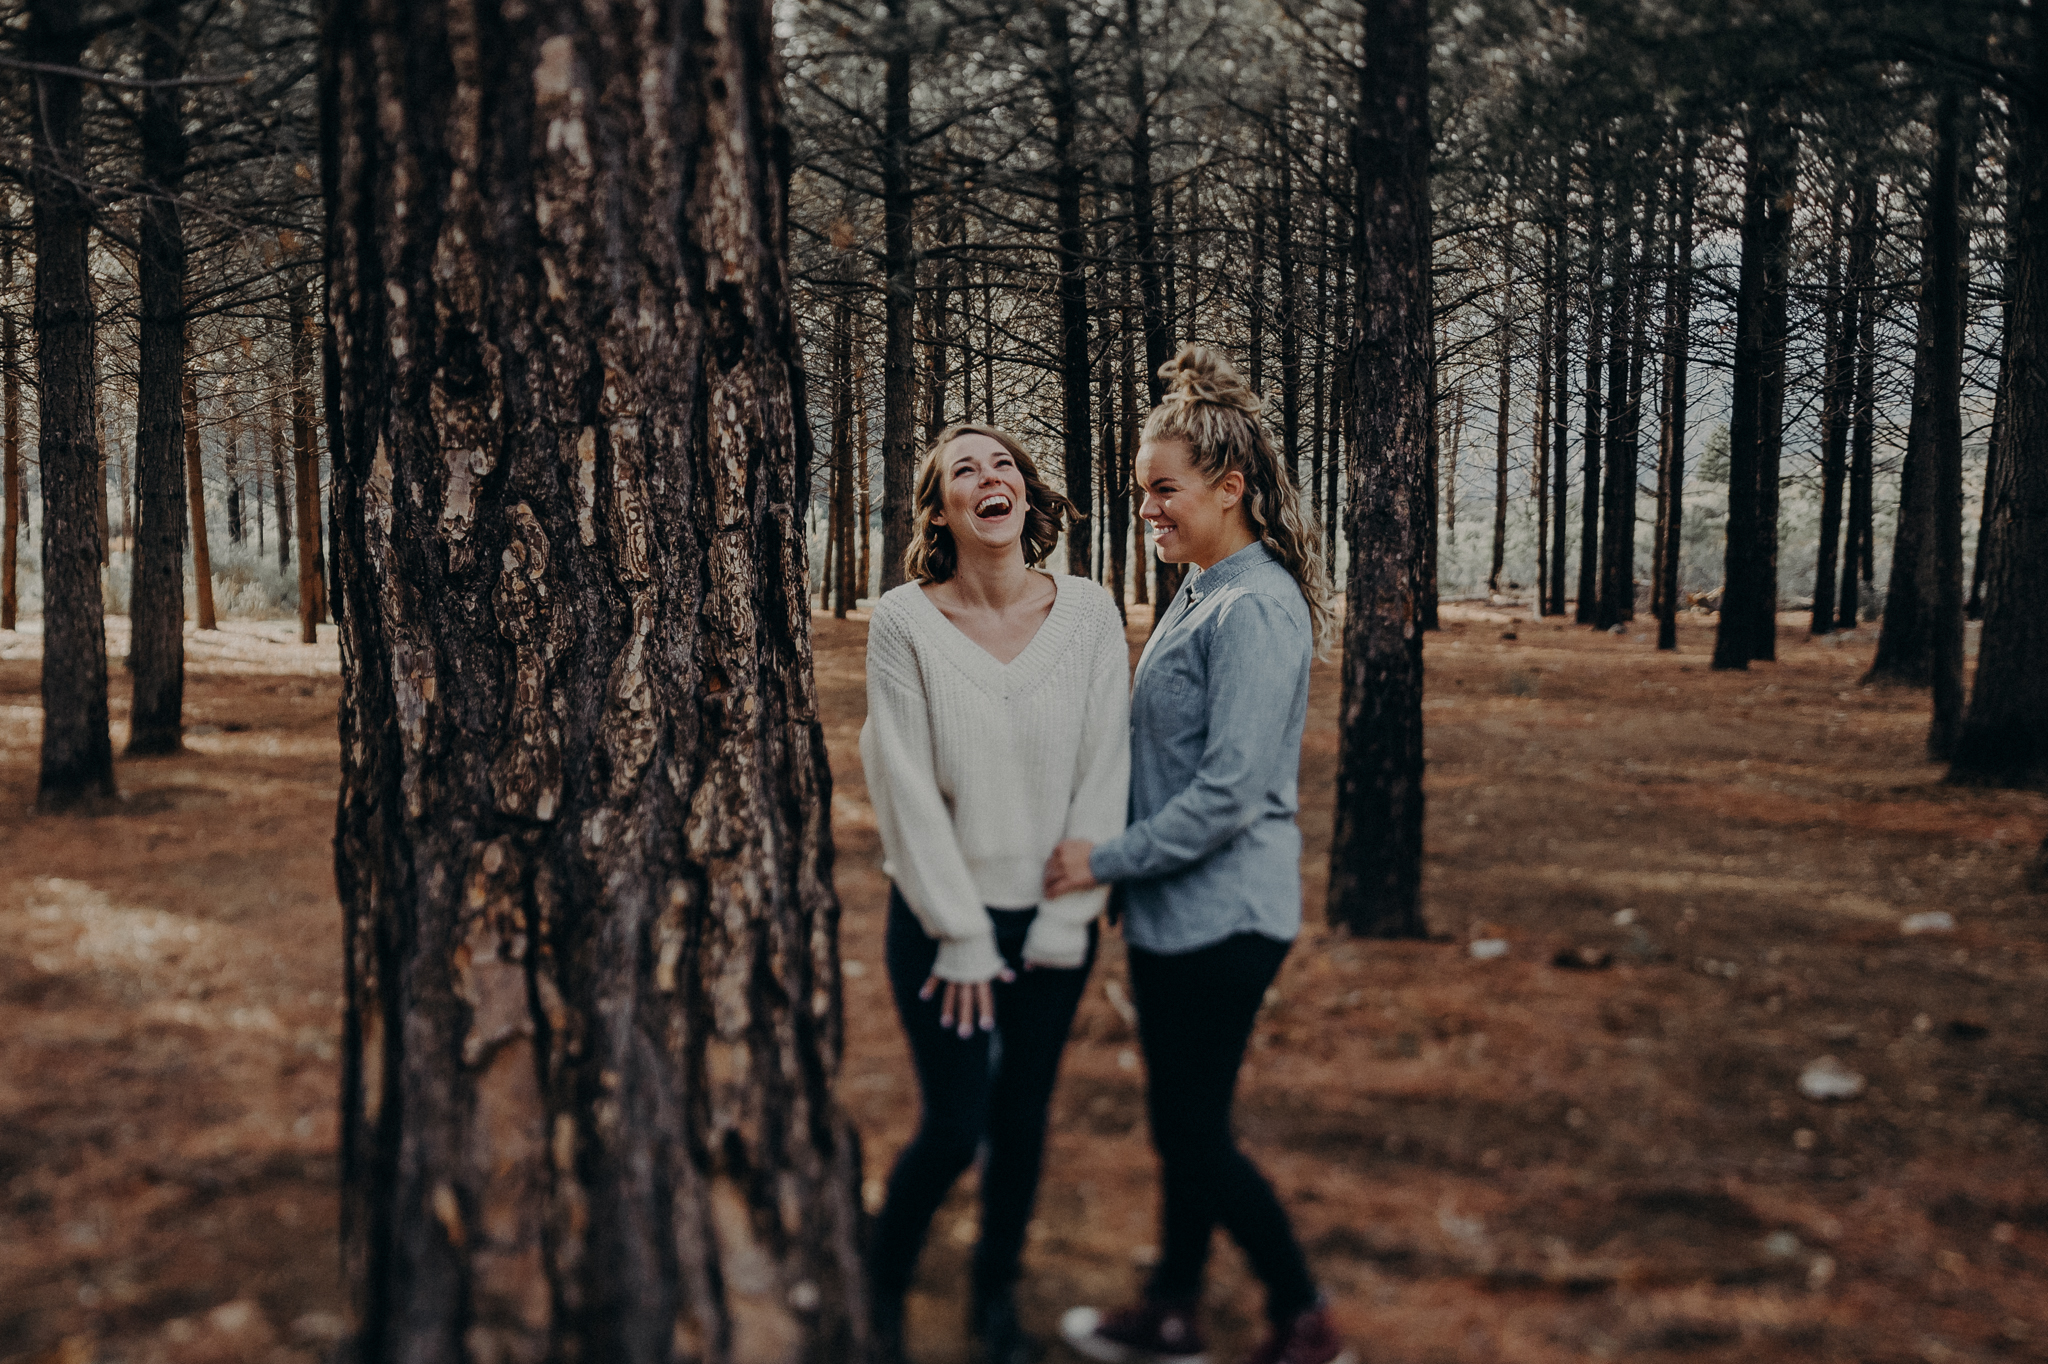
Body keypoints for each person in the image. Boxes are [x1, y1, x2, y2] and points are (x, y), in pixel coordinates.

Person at [1045, 347, 1352, 1364]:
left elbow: (1227, 790)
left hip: (1223, 911)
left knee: (1191, 1130)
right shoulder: (1203, 587)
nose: (1149, 510)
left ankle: (1302, 1312)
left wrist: (1107, 859)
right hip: (1181, 911)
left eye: (1163, 491)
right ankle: (1174, 1306)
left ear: (1230, 489)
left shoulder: (1253, 605)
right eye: (1143, 492)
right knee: (1184, 1120)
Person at [859, 423, 1131, 1364]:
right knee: (955, 1122)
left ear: (1026, 493)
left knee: (1020, 1123)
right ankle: (882, 1283)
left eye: (1004, 463)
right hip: (943, 925)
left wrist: (1066, 921)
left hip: (1052, 925)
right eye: (964, 470)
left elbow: (1109, 767)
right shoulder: (904, 621)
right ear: (941, 509)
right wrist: (962, 936)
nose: (990, 476)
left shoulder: (1092, 613)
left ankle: (995, 1302)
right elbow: (901, 786)